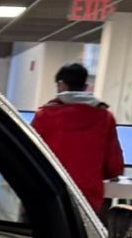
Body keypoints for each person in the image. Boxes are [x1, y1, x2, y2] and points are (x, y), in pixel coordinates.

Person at [33, 62, 124, 210]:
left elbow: (33, 153)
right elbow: (113, 161)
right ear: (85, 85)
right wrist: (111, 175)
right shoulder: (105, 117)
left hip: (51, 189)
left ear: (61, 84)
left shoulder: (45, 115)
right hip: (88, 194)